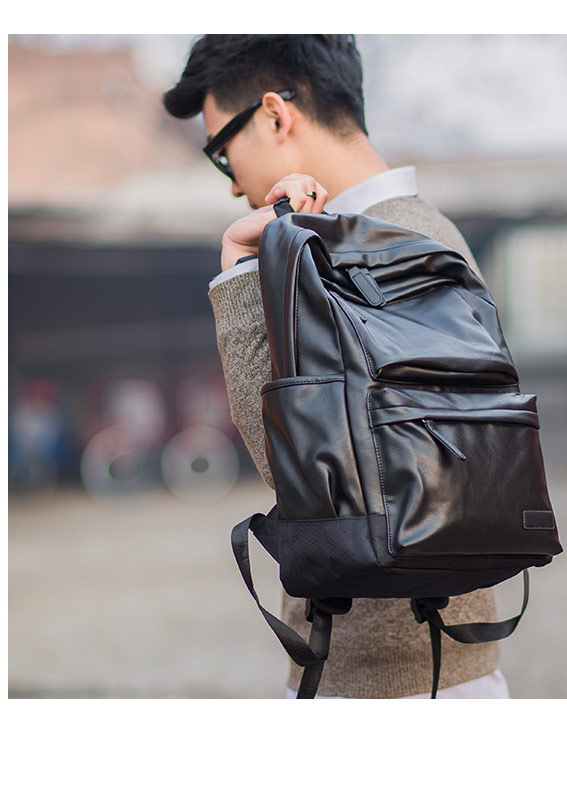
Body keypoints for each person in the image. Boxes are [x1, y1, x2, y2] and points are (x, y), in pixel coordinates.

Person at [163, 34, 511, 699]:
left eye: (222, 152)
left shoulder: (363, 251)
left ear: (275, 115)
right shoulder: (427, 231)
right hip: (440, 666)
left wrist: (239, 268)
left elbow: (301, 476)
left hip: (385, 685)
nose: (232, 181)